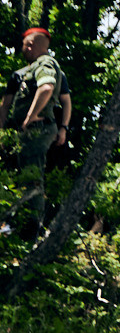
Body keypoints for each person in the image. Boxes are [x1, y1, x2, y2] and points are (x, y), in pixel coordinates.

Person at [8, 27, 69, 235]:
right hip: (36, 130)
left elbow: (46, 87)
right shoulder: (35, 67)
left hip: (37, 129)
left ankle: (28, 232)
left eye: (24, 45)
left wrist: (30, 117)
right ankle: (21, 226)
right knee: (28, 175)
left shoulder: (45, 63)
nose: (22, 49)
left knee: (31, 178)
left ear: (31, 45)